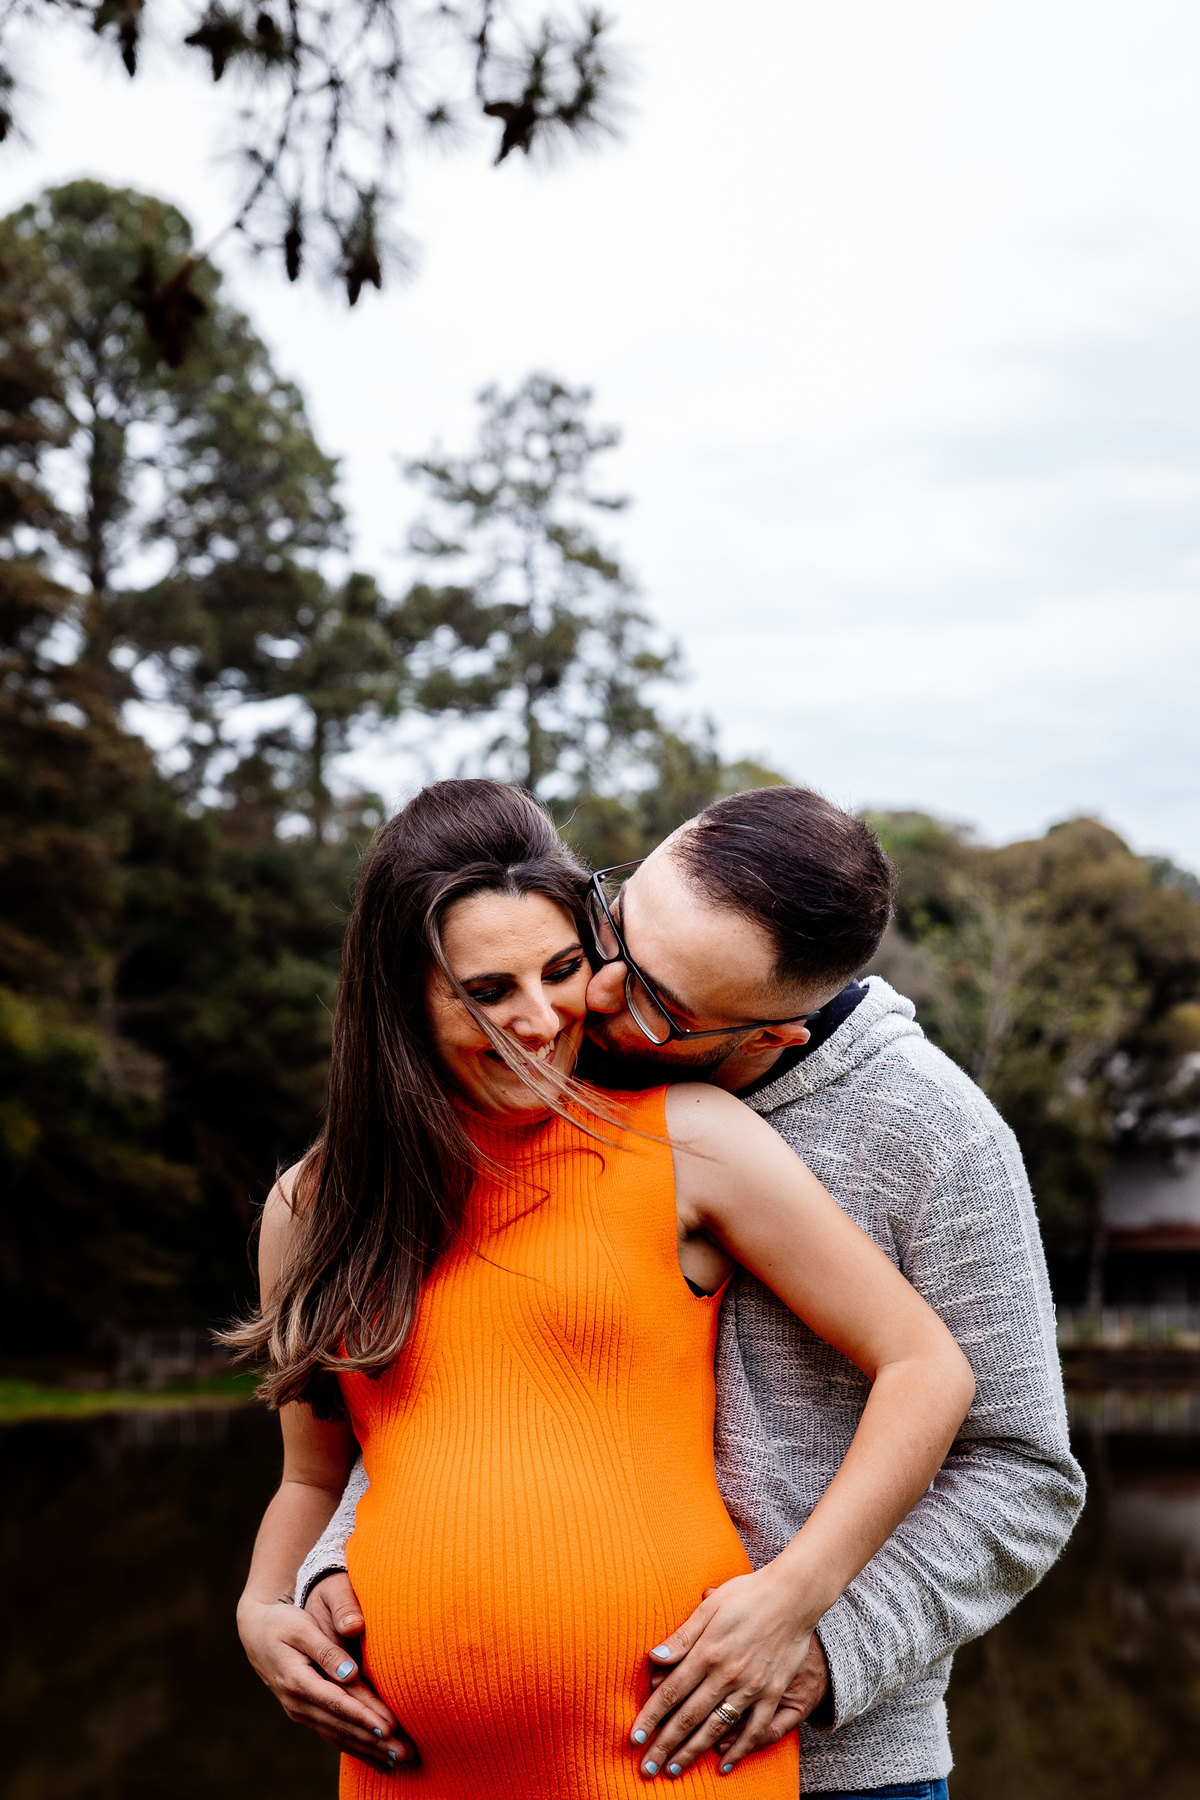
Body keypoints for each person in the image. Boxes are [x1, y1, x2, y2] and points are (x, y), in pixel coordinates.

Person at [250, 784, 1086, 1798]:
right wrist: (315, 1576)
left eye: (650, 1001)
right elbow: (449, 1399)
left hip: (816, 1755)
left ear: (771, 1034)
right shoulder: (540, 1044)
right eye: (611, 936)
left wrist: (817, 1633)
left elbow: (1020, 1468)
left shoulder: (928, 1138)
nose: (584, 1003)